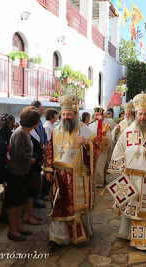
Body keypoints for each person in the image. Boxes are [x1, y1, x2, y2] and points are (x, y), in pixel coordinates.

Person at [107, 92, 146, 250]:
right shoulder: (127, 133)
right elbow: (118, 153)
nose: (143, 117)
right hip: (133, 179)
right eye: (140, 114)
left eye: (145, 114)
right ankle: (130, 234)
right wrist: (123, 168)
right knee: (133, 209)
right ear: (136, 114)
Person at [44, 95, 101, 247]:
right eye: (64, 114)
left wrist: (87, 144)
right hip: (60, 176)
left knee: (77, 206)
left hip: (78, 174)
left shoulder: (84, 129)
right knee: (60, 205)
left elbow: (97, 147)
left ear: (75, 114)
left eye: (69, 114)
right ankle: (57, 237)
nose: (66, 117)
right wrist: (49, 170)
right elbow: (49, 150)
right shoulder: (56, 131)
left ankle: (82, 231)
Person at [5, 107, 40, 241]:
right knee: (14, 203)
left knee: (20, 201)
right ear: (33, 122)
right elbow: (19, 153)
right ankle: (12, 230)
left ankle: (19, 226)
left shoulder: (26, 132)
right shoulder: (20, 133)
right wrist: (30, 160)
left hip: (23, 172)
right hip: (16, 172)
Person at [0, 112, 18, 224]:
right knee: (10, 193)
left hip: (6, 167)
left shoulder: (2, 133)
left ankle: (5, 214)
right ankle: (6, 215)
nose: (13, 125)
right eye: (12, 123)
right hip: (8, 167)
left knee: (9, 192)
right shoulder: (6, 135)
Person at [88, 108, 112, 188]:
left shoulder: (106, 127)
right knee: (93, 166)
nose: (97, 116)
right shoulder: (90, 126)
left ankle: (99, 182)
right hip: (93, 149)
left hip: (102, 149)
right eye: (96, 115)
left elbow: (109, 137)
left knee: (100, 166)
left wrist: (102, 139)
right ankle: (93, 181)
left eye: (99, 115)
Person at [30, 101, 47, 209]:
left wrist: (45, 144)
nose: (43, 110)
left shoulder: (40, 121)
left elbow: (43, 135)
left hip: (40, 152)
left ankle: (35, 200)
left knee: (38, 179)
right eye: (42, 108)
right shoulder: (32, 123)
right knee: (35, 180)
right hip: (35, 154)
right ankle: (33, 202)